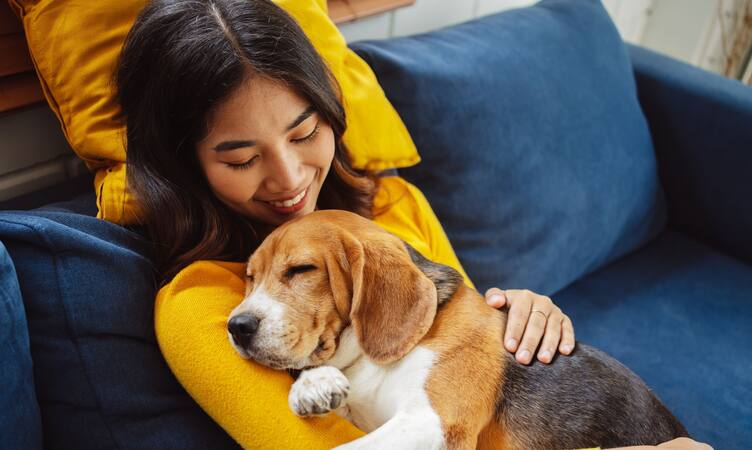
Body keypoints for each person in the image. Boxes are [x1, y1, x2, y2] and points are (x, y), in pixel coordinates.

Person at [114, 1, 711, 449]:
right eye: (241, 158)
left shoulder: (396, 208)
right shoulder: (202, 307)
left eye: (304, 133)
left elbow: (459, 372)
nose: (290, 176)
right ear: (183, 164)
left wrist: (518, 315)